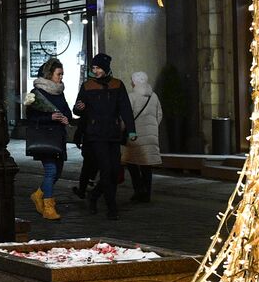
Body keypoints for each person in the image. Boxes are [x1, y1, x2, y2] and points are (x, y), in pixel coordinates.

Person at [72, 53, 136, 220]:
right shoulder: (88, 86)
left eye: (98, 68)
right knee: (106, 170)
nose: (95, 71)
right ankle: (111, 207)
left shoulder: (117, 85)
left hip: (113, 135)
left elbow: (125, 109)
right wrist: (79, 108)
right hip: (95, 135)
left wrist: (131, 130)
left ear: (106, 68)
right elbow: (77, 110)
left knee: (115, 172)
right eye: (93, 68)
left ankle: (94, 196)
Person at [24, 58, 72, 220]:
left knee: (57, 172)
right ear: (50, 74)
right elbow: (30, 118)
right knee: (51, 171)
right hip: (45, 137)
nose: (61, 77)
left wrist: (66, 118)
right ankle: (49, 207)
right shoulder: (35, 93)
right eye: (59, 74)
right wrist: (50, 117)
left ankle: (38, 195)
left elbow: (67, 112)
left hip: (58, 138)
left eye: (62, 74)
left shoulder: (60, 92)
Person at [121, 71, 163, 203]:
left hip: (135, 136)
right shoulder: (154, 96)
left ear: (134, 82)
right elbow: (159, 114)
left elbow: (126, 116)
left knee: (132, 163)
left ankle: (138, 191)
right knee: (146, 166)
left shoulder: (131, 96)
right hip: (151, 135)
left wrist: (123, 129)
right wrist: (153, 127)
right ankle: (147, 193)